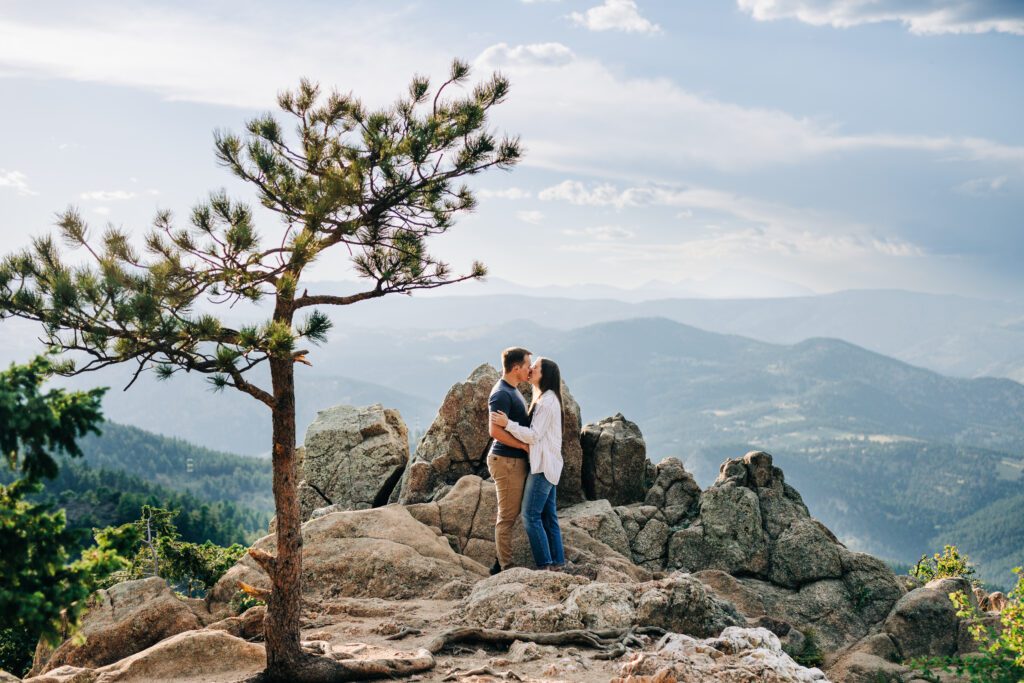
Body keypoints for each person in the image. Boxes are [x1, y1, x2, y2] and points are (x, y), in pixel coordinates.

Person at [491, 357, 566, 571]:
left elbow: (533, 436)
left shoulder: (547, 401)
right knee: (548, 516)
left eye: (536, 367)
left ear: (546, 375)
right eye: (530, 365)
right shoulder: (545, 397)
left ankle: (545, 566)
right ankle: (558, 564)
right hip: (549, 465)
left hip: (542, 466)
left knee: (530, 516)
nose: (531, 369)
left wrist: (507, 424)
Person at [486, 347, 532, 575]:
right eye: (527, 366)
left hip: (512, 460)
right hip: (506, 460)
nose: (530, 369)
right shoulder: (501, 394)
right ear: (516, 368)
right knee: (507, 516)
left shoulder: (512, 390)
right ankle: (505, 568)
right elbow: (494, 430)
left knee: (511, 513)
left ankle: (498, 562)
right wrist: (523, 446)